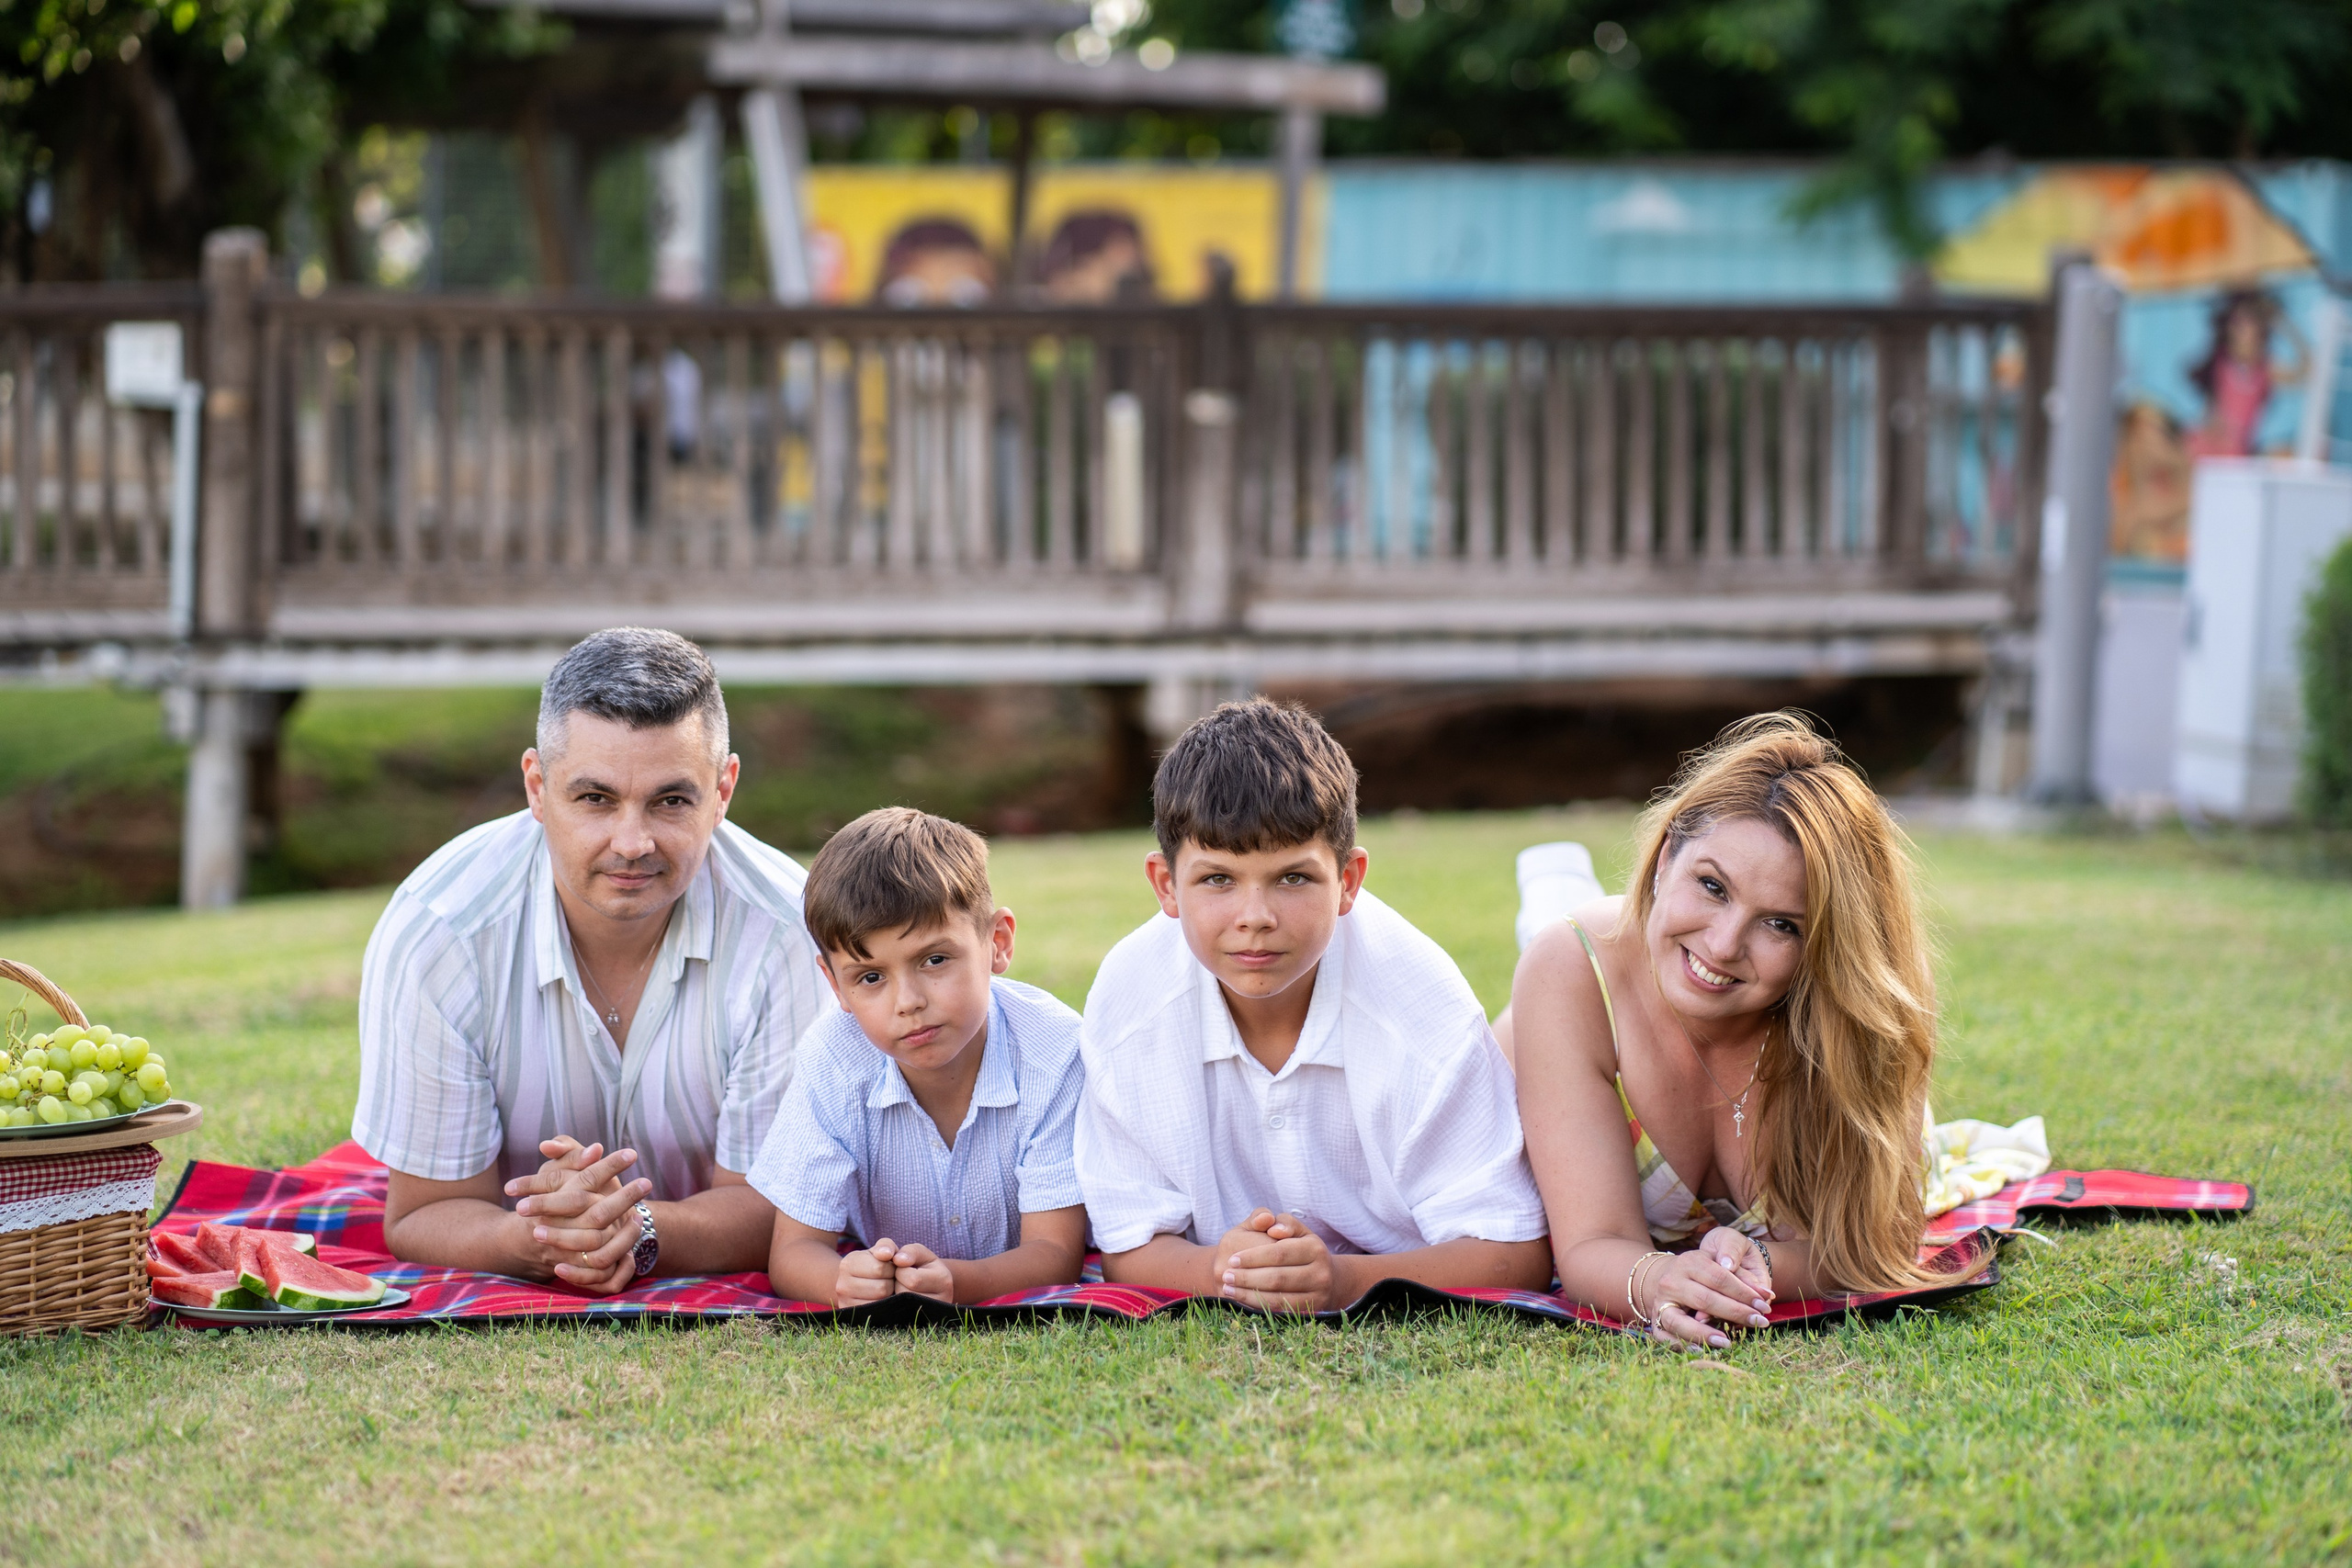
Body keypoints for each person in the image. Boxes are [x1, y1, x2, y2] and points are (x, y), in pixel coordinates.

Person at [355, 627, 831, 1293]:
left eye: (671, 800)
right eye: (595, 798)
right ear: (536, 787)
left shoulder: (790, 935)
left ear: (722, 791)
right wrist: (533, 1238)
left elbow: (783, 1209)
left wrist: (641, 1231)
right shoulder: (438, 933)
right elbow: (423, 1210)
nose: (632, 842)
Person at [1075, 698, 1552, 1314]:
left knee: (1535, 1028)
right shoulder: (1130, 1001)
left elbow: (1516, 1252)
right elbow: (1128, 1242)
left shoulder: (1421, 1004)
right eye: (1217, 879)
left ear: (1349, 881)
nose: (1256, 917)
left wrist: (1343, 1280)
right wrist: (1219, 1267)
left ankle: (1551, 921)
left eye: (1293, 878)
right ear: (1166, 885)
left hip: (1449, 1064)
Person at [1498, 713, 1943, 1349]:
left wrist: (1761, 1267)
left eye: (1781, 925)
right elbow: (1591, 1244)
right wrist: (1656, 1281)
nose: (1726, 942)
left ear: (1826, 945)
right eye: (1712, 885)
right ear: (1664, 854)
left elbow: (1880, 1240)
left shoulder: (1868, 1019)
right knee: (1558, 940)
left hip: (1648, 963)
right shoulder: (1569, 973)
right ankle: (1556, 890)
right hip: (1581, 1000)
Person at [752, 808, 1088, 1307]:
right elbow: (795, 1251)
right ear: (836, 987)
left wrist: (955, 1285)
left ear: (997, 943)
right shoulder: (833, 1060)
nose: (907, 1001)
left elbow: (1056, 1252)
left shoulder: (1054, 1051)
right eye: (870, 977)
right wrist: (843, 1283)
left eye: (934, 960)